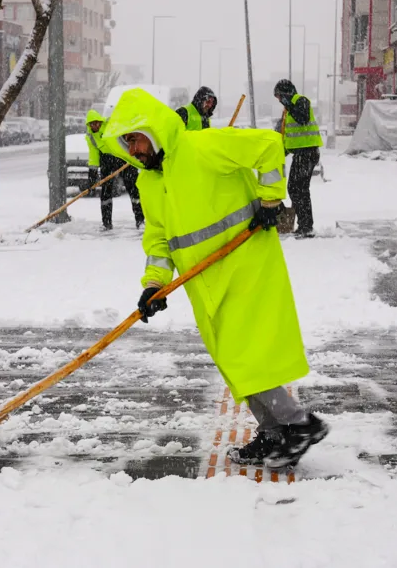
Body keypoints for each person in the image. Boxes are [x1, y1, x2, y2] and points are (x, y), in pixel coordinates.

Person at [100, 87, 327, 468]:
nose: (133, 149)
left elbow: (269, 146)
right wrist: (154, 284)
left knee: (246, 354)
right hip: (202, 282)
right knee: (232, 359)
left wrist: (271, 199)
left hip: (245, 264)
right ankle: (275, 433)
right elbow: (159, 239)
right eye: (126, 143)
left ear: (153, 131)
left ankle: (297, 423)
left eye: (136, 138)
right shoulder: (148, 182)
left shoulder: (202, 147)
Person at [274, 79, 320, 238]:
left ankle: (306, 226)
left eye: (279, 97)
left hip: (307, 153)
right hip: (301, 153)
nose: (279, 101)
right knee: (299, 189)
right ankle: (305, 225)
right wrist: (280, 153)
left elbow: (303, 118)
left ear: (286, 93)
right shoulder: (288, 110)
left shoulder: (301, 101)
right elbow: (289, 136)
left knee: (296, 188)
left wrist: (289, 104)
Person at [85, 109, 144, 231]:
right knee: (106, 192)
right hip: (106, 160)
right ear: (89, 125)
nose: (95, 125)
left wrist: (132, 153)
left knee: (133, 189)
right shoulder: (90, 136)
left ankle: (140, 220)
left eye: (97, 122)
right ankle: (106, 223)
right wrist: (92, 174)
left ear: (100, 121)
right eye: (92, 124)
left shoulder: (111, 125)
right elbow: (93, 155)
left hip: (122, 158)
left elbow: (126, 134)